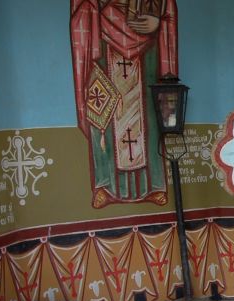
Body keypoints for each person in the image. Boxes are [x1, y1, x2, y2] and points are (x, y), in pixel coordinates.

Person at [70, 0, 178, 208]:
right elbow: (81, 6)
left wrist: (158, 20)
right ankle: (105, 184)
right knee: (102, 108)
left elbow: (166, 6)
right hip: (103, 37)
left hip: (146, 41)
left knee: (149, 113)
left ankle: (153, 185)